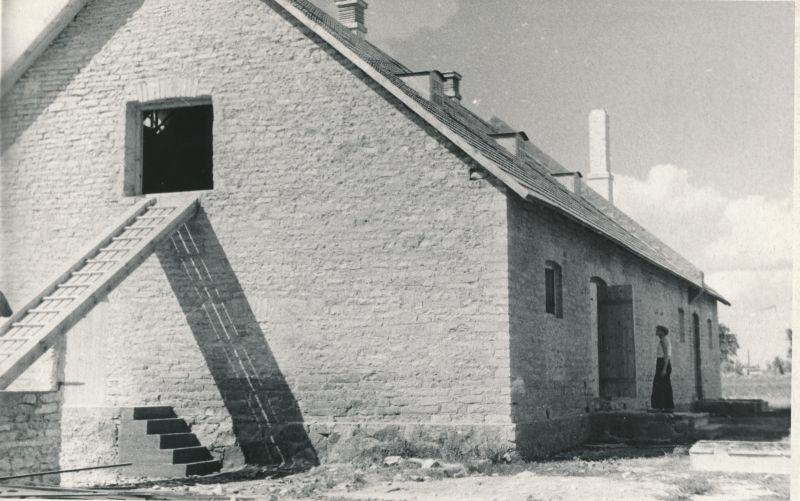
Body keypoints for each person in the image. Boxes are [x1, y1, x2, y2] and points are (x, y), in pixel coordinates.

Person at [651, 325, 674, 412]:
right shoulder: (663, 340)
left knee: (661, 385)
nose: (656, 331)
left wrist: (664, 368)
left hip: (663, 363)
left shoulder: (664, 340)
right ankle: (664, 406)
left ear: (662, 332)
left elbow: (666, 355)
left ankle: (663, 406)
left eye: (658, 330)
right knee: (662, 385)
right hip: (662, 363)